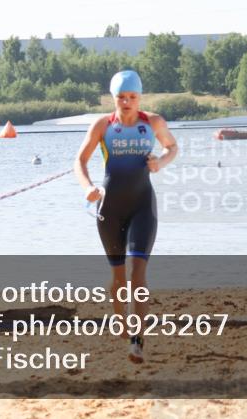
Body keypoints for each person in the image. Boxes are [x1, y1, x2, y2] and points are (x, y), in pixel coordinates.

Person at [74, 70, 178, 364]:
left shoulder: (153, 123)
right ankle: (120, 318)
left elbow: (173, 147)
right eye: (121, 97)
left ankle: (138, 340)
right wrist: (88, 188)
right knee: (119, 277)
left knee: (137, 273)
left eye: (132, 97)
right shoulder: (103, 126)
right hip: (109, 209)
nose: (127, 102)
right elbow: (79, 161)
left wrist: (160, 161)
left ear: (140, 97)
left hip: (143, 206)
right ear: (114, 98)